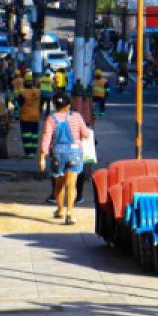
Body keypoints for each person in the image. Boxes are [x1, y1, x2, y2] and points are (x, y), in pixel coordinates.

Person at [39, 92, 92, 222]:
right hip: (74, 153)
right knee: (71, 184)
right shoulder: (77, 117)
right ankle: (70, 213)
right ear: (68, 105)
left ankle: (60, 209)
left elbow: (46, 138)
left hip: (57, 153)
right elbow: (85, 133)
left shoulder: (51, 119)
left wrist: (42, 157)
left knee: (59, 185)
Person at [15, 76, 45, 155]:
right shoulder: (38, 92)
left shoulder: (23, 93)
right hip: (35, 117)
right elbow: (41, 103)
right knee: (34, 135)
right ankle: (34, 152)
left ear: (24, 83)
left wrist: (16, 115)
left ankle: (28, 153)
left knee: (26, 135)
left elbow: (18, 105)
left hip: (25, 118)